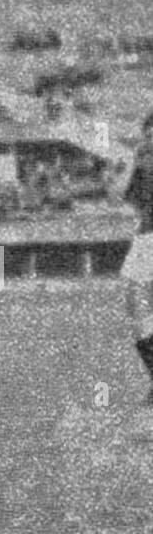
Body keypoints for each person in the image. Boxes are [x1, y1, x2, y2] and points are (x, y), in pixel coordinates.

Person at [121, 111, 153, 404]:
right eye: (148, 134)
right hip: (146, 239)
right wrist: (132, 162)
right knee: (136, 309)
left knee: (139, 307)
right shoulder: (142, 165)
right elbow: (120, 194)